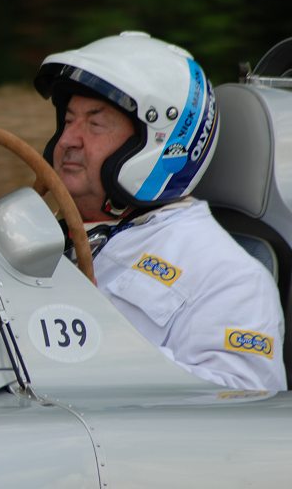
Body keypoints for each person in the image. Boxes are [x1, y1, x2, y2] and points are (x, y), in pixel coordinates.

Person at [33, 31, 286, 391]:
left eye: (94, 124)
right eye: (69, 120)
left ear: (157, 144)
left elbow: (242, 410)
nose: (68, 139)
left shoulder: (231, 277)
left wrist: (100, 347)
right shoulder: (45, 233)